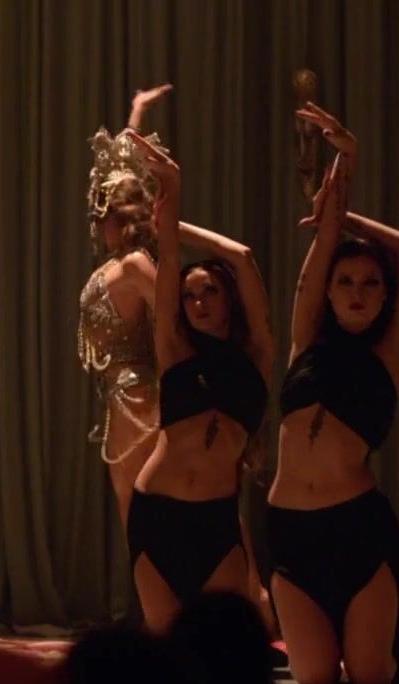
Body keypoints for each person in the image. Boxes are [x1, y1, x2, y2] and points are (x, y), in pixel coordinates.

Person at [267, 102, 399, 684]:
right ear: (328, 292)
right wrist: (341, 178)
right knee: (312, 678)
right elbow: (326, 237)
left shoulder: (391, 357)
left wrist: (350, 188)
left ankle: (390, 647)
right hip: (289, 530)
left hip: (357, 529)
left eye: (370, 283)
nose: (357, 292)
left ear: (385, 296)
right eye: (345, 282)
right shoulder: (304, 341)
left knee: (370, 677)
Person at [124, 132, 275, 634]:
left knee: (219, 652)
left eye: (209, 291)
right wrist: (171, 202)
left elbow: (243, 257)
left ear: (229, 297)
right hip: (155, 514)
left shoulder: (257, 357)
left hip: (215, 521)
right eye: (189, 297)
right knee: (165, 655)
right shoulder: (173, 348)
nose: (198, 303)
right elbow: (168, 261)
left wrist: (179, 223)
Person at [76, 86, 173, 528]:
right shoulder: (119, 262)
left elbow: (174, 314)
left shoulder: (135, 265)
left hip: (140, 393)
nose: (98, 225)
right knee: (131, 506)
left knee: (144, 509)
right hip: (119, 393)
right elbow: (115, 167)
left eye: (104, 215)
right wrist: (135, 114)